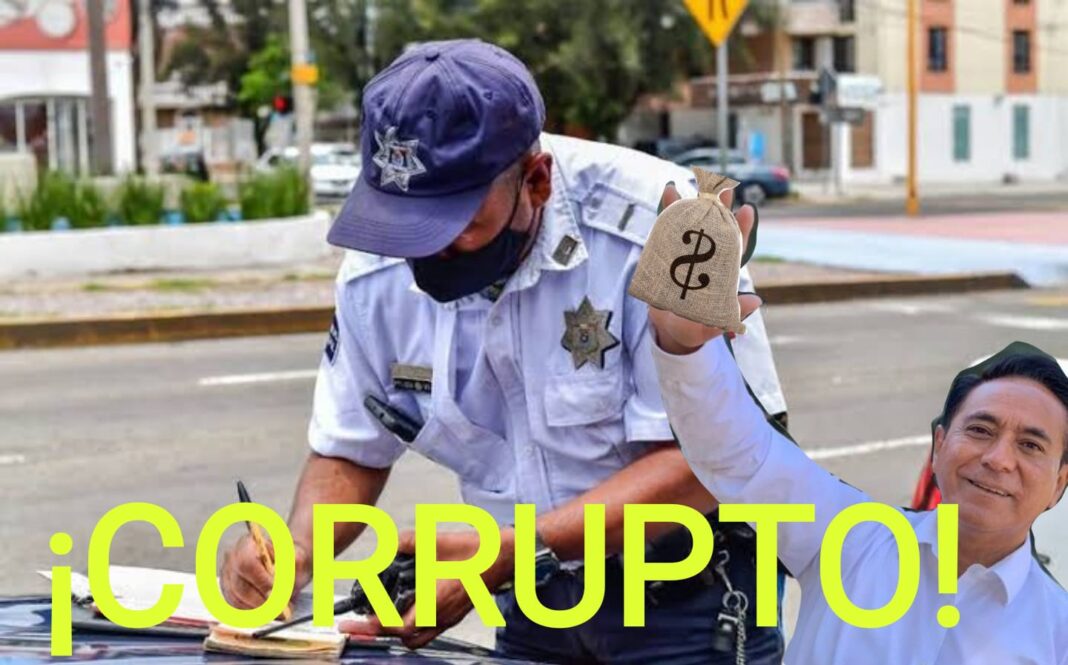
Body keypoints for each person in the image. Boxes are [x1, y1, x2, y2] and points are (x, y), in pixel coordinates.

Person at [220, 38, 788, 664]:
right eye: (405, 224)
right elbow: (352, 446)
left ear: (536, 181)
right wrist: (297, 551)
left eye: (454, 225)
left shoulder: (674, 231)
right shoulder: (373, 273)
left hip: (692, 599)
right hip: (532, 596)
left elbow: (712, 461)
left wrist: (510, 552)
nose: (424, 251)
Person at [647, 189, 1068, 664]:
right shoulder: (850, 538)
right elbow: (741, 457)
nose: (998, 458)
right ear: (939, 446)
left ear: (1059, 484)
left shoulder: (1057, 635)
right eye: (981, 430)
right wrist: (686, 347)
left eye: (1031, 445)